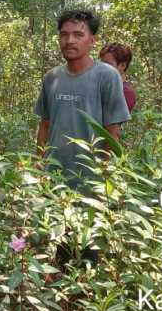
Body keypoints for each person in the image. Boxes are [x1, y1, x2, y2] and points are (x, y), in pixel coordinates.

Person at [34, 10, 131, 189]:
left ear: (92, 41)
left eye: (78, 34)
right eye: (64, 35)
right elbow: (44, 125)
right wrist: (38, 165)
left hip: (90, 180)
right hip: (52, 178)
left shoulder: (107, 76)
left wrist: (104, 177)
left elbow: (113, 132)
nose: (69, 40)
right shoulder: (51, 77)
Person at [99, 43, 137, 112]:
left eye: (108, 64)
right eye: (101, 64)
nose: (102, 68)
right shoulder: (101, 85)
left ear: (122, 66)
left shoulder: (126, 93)